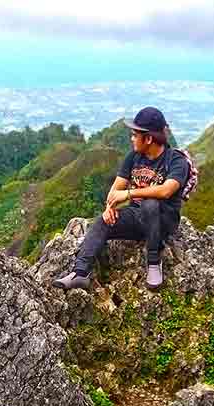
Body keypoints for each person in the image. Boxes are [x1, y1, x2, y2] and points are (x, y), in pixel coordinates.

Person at [52, 106, 188, 291]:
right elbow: (116, 189)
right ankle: (80, 273)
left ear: (148, 138)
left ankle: (154, 262)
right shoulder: (133, 157)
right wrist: (109, 207)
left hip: (163, 219)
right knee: (102, 222)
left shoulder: (175, 160)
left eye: (134, 135)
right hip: (137, 217)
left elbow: (166, 190)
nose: (131, 139)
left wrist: (129, 194)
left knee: (150, 204)